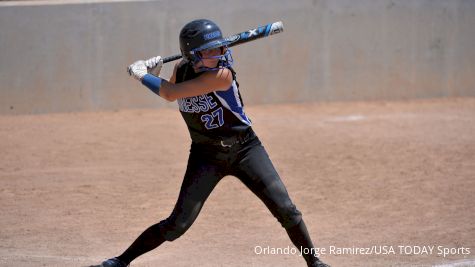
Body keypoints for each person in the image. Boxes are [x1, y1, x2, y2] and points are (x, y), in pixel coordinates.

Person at [93, 19, 330, 267]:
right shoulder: (183, 68)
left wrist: (141, 76)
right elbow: (170, 91)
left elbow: (169, 93)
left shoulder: (222, 75)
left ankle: (314, 262)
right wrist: (155, 76)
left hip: (245, 149)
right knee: (177, 225)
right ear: (192, 55)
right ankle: (120, 261)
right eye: (209, 50)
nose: (218, 54)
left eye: (219, 48)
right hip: (205, 156)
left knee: (286, 208)